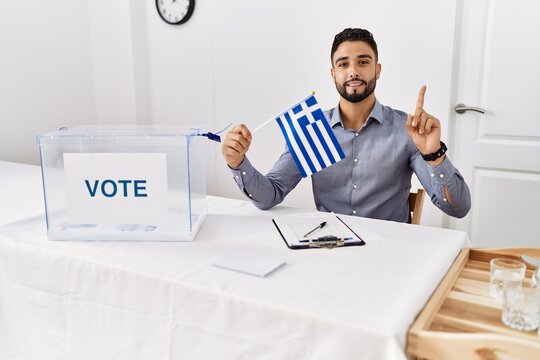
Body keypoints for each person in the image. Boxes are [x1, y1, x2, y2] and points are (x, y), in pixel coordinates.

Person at [221, 28, 471, 223]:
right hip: (328, 248)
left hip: (389, 255)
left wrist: (434, 155)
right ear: (333, 74)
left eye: (363, 62)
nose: (353, 72)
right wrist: (238, 163)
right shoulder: (312, 131)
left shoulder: (407, 131)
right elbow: (270, 196)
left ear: (378, 70)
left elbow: (458, 208)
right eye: (343, 64)